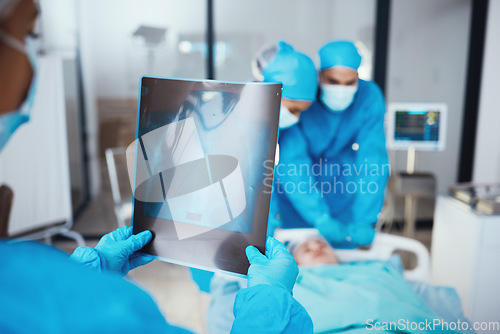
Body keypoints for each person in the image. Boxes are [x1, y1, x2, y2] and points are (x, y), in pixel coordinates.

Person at [0, 1, 313, 333]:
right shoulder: (99, 310)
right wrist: (270, 301)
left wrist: (94, 269)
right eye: (31, 34)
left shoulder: (29, 288)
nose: (38, 56)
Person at [208, 234, 469, 334]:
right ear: (290, 260)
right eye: (306, 248)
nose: (317, 245)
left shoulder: (377, 273)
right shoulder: (281, 283)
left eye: (322, 244)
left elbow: (410, 309)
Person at [273, 40, 390, 248]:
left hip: (343, 184)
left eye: (350, 82)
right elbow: (293, 163)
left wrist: (365, 218)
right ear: (319, 75)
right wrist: (319, 217)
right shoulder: (302, 97)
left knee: (340, 254)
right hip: (297, 194)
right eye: (333, 81)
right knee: (298, 253)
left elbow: (373, 160)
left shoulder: (369, 97)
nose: (341, 90)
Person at [251, 41, 318, 236]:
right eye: (293, 109)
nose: (295, 118)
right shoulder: (235, 122)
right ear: (270, 90)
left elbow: (296, 174)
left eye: (301, 112)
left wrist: (320, 217)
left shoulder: (288, 131)